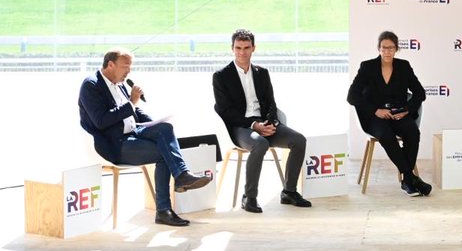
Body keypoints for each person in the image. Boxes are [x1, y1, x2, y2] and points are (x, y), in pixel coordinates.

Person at [78, 49, 213, 227]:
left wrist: (154, 123)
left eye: (130, 67)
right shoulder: (91, 85)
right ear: (110, 65)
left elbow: (135, 112)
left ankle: (180, 176)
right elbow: (101, 121)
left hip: (133, 132)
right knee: (164, 153)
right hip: (114, 143)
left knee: (165, 128)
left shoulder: (119, 83)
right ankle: (165, 207)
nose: (128, 72)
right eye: (125, 67)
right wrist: (132, 102)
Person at [212, 29, 311, 213]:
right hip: (240, 127)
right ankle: (249, 197)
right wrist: (253, 126)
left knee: (299, 140)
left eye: (246, 47)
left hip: (264, 124)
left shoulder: (262, 73)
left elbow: (271, 103)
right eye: (238, 48)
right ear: (232, 48)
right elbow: (225, 111)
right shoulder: (221, 76)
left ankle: (289, 191)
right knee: (260, 144)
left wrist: (271, 123)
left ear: (253, 48)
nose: (242, 52)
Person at [347, 30, 432, 196]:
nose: (387, 51)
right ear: (378, 48)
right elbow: (352, 96)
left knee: (412, 132)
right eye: (384, 48)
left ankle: (408, 179)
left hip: (398, 114)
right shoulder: (367, 67)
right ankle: (409, 177)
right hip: (375, 117)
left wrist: (406, 110)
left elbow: (420, 93)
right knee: (386, 135)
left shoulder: (404, 66)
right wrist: (375, 110)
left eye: (391, 48)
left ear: (396, 49)